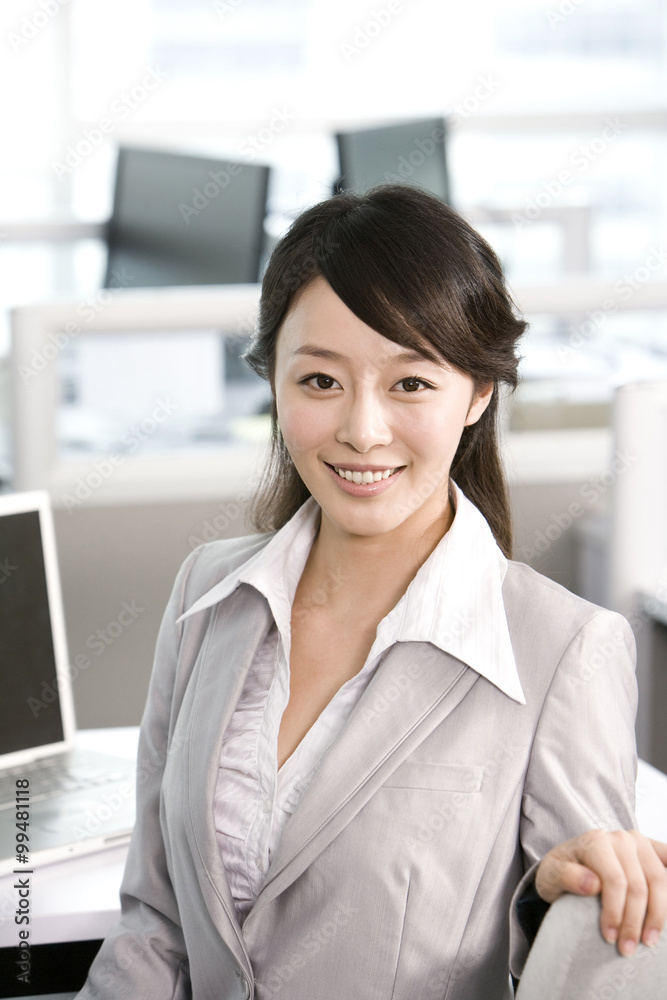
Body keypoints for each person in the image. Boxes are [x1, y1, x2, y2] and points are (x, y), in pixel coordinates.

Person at [76, 185, 667, 1000]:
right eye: (319, 381)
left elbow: (581, 963)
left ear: (478, 392)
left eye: (411, 384)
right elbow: (157, 922)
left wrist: (544, 900)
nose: (361, 429)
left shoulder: (563, 650)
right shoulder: (208, 596)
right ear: (273, 383)